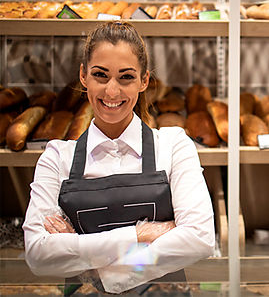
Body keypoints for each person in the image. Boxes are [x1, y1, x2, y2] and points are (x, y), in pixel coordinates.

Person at [22, 21, 215, 294]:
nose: (112, 92)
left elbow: (200, 238)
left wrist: (98, 271)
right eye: (100, 75)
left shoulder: (174, 146)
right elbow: (39, 255)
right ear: (83, 76)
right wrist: (138, 235)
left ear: (144, 80)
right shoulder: (56, 157)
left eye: (126, 77)